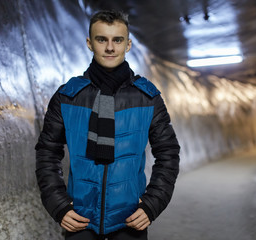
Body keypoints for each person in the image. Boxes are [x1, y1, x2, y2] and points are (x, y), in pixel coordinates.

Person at [35, 9, 180, 240]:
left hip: (130, 220)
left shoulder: (148, 98)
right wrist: (59, 206)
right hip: (80, 221)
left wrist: (152, 204)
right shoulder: (67, 96)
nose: (110, 47)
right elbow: (47, 153)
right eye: (102, 39)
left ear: (128, 44)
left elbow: (169, 153)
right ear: (89, 43)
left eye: (117, 40)